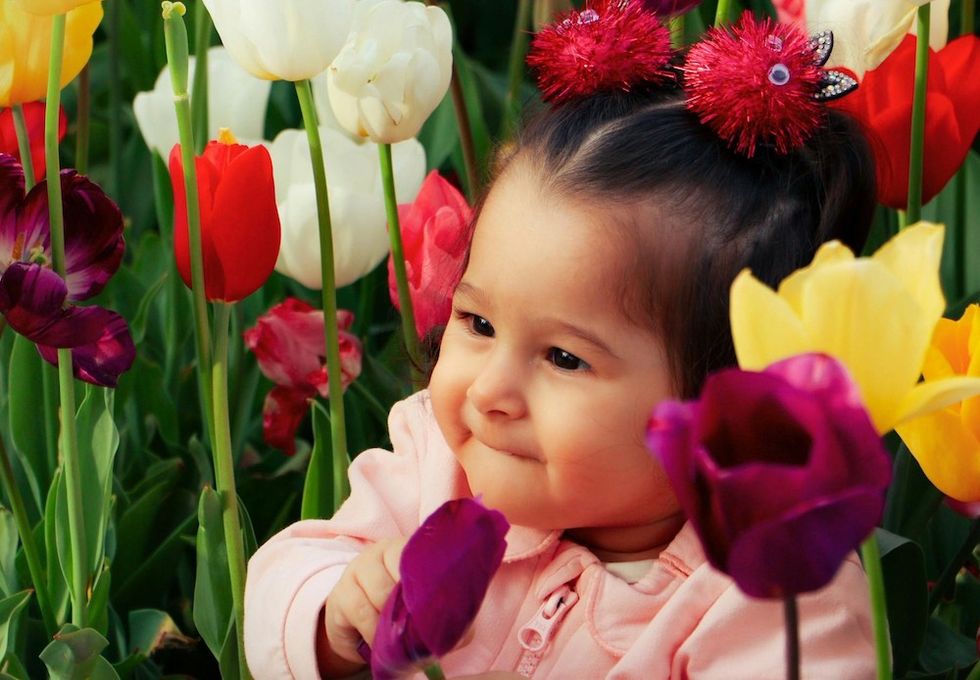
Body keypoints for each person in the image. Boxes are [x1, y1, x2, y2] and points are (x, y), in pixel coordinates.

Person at [243, 6, 879, 679]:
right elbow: (284, 572)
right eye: (477, 324)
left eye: (564, 358)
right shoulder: (437, 467)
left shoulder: (772, 601)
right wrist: (332, 617)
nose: (490, 391)